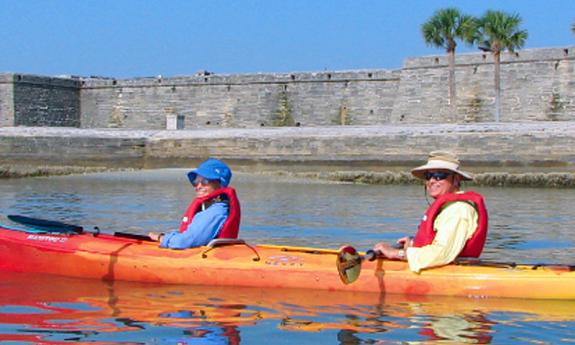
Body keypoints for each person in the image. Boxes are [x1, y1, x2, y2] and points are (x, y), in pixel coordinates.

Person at [373, 151, 488, 273]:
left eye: (439, 175)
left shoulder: (458, 210)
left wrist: (397, 253)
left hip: (454, 276)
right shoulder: (449, 207)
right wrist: (414, 243)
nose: (432, 181)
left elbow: (442, 252)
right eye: (428, 176)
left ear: (456, 179)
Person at [148, 158, 241, 249]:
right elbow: (190, 235)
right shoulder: (211, 208)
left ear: (220, 184)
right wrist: (171, 236)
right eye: (196, 182)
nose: (198, 186)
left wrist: (161, 238)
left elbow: (183, 242)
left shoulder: (216, 212)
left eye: (205, 181)